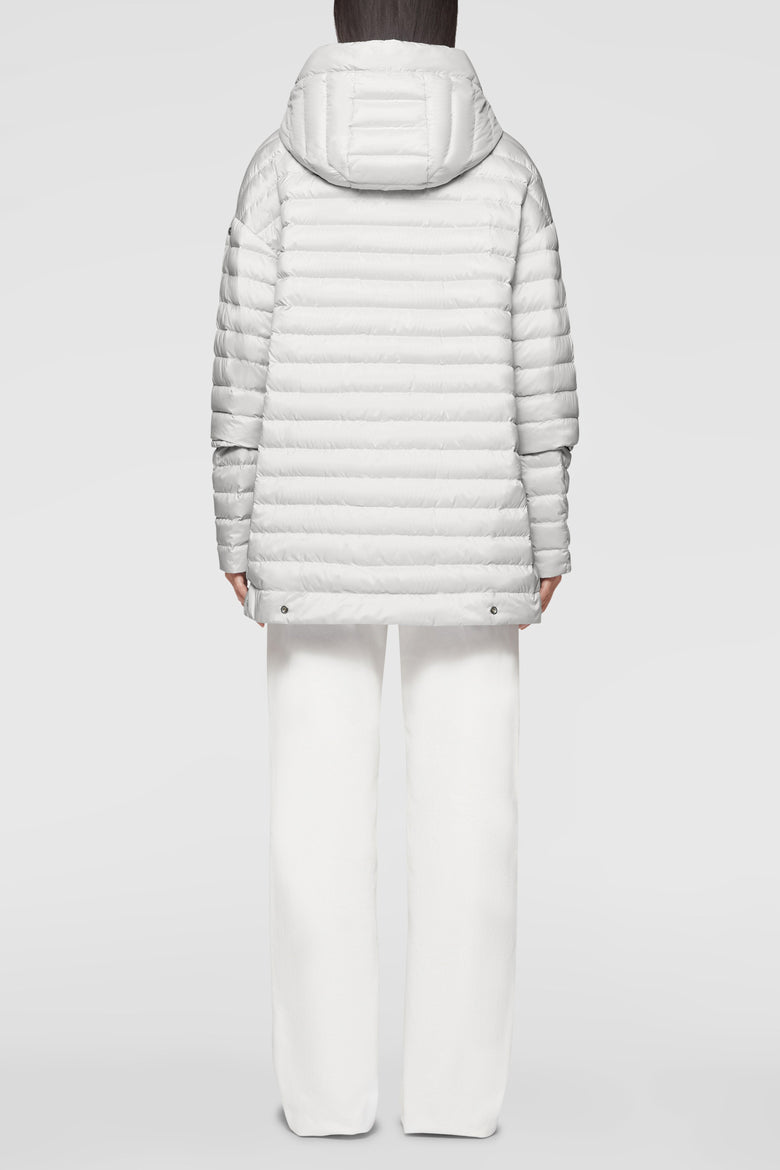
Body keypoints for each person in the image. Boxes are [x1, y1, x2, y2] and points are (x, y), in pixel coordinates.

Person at [209, 0, 579, 1139]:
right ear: (448, 18)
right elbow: (541, 368)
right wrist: (549, 534)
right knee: (474, 829)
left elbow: (240, 361)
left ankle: (323, 1103)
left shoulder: (276, 171)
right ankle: (457, 1103)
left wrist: (237, 530)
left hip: (309, 524)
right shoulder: (510, 173)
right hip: (473, 528)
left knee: (312, 826)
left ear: (341, 17)